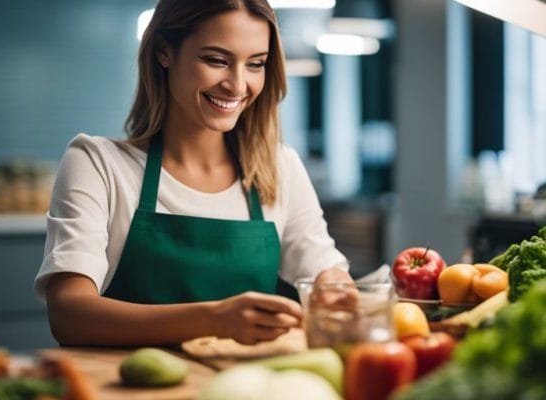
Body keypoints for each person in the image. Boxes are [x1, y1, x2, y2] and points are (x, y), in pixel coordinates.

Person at [34, 0, 353, 347]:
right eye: (216, 60)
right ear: (163, 52)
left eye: (256, 64)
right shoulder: (98, 164)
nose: (237, 85)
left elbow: (324, 269)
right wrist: (214, 320)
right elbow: (68, 313)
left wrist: (333, 288)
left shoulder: (279, 168)